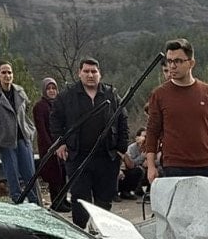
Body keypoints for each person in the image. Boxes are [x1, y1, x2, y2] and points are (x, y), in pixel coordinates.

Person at [144, 38, 208, 182]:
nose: (172, 66)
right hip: (173, 166)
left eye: (178, 61)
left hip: (205, 165)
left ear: (191, 63)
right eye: (169, 61)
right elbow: (152, 131)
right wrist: (151, 166)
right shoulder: (159, 95)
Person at [52, 58, 128, 226]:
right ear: (79, 73)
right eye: (86, 71)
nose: (90, 75)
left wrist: (121, 148)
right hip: (78, 156)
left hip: (106, 157)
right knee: (80, 199)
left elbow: (122, 119)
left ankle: (101, 232)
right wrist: (60, 143)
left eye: (94, 71)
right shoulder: (67, 96)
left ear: (100, 74)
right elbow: (55, 120)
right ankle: (80, 234)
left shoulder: (111, 94)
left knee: (104, 199)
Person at [0, 60, 40, 204]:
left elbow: (26, 110)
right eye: (3, 72)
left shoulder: (19, 91)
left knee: (30, 173)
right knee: (12, 174)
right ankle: (18, 202)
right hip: (5, 138)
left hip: (23, 136)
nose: (7, 75)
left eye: (9, 72)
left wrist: (30, 129)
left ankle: (35, 202)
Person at [33, 76, 67, 207]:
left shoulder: (59, 104)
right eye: (48, 89)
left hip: (61, 146)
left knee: (63, 174)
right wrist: (52, 147)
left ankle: (63, 200)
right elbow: (41, 130)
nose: (52, 91)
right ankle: (56, 202)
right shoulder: (39, 107)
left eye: (54, 88)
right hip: (48, 147)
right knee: (54, 176)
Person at [120, 129, 149, 198]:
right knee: (139, 170)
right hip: (130, 170)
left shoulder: (149, 147)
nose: (145, 138)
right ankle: (134, 190)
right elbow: (131, 164)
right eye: (144, 136)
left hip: (146, 169)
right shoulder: (132, 148)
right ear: (137, 137)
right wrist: (142, 157)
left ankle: (149, 191)